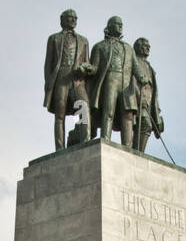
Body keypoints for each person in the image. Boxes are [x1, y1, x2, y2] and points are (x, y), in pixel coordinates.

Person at [43, 9, 93, 151]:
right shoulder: (54, 38)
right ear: (62, 19)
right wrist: (48, 84)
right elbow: (48, 64)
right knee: (60, 113)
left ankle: (84, 141)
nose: (72, 20)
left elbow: (88, 62)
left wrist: (85, 67)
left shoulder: (84, 40)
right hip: (61, 78)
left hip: (77, 80)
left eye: (75, 18)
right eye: (69, 18)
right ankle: (60, 148)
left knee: (83, 107)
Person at [87, 16, 138, 146]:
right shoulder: (100, 46)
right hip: (110, 80)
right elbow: (95, 67)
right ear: (109, 27)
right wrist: (88, 68)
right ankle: (106, 139)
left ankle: (127, 145)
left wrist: (143, 77)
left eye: (121, 24)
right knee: (108, 111)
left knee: (127, 115)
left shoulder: (128, 48)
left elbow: (135, 68)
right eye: (117, 24)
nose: (120, 26)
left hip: (126, 84)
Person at [131, 37, 163, 153]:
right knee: (145, 124)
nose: (148, 47)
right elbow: (131, 81)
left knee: (144, 127)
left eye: (148, 46)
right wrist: (139, 97)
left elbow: (154, 92)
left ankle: (137, 152)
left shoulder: (150, 68)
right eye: (144, 45)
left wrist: (157, 113)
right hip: (136, 100)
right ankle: (138, 153)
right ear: (137, 47)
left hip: (149, 103)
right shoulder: (135, 62)